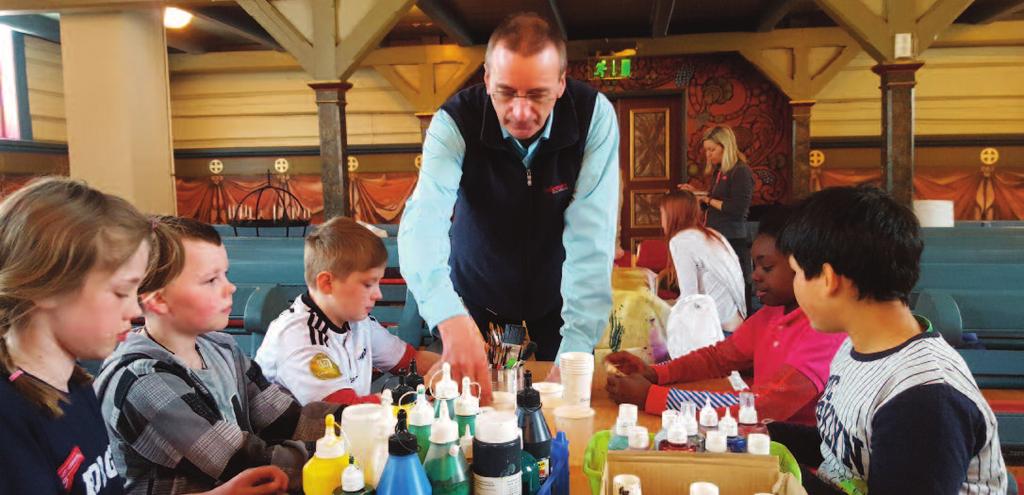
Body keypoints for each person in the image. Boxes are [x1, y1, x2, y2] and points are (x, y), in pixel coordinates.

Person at [0, 178, 287, 494]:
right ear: (48, 286)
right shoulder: (12, 420)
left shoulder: (76, 385)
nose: (133, 309)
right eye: (121, 291)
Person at [398, 12, 619, 393]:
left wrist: (579, 344)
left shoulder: (593, 118)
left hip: (557, 303)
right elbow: (424, 222)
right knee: (477, 416)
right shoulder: (455, 122)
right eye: (505, 92)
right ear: (486, 78)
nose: (520, 112)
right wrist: (448, 315)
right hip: (479, 302)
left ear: (561, 82)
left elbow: (592, 240)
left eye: (537, 94)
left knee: (560, 410)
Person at [771, 186, 1006, 494]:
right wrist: (764, 434)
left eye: (796, 273)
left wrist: (791, 482)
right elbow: (846, 449)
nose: (796, 286)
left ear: (828, 279)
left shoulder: (925, 399)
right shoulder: (858, 346)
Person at [94, 216, 340, 493]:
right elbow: (247, 465)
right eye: (211, 280)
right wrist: (347, 447)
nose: (230, 287)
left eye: (225, 274)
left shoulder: (220, 348)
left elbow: (286, 420)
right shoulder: (142, 382)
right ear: (159, 299)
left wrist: (359, 417)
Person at [604, 207, 845, 425]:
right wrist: (655, 373)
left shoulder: (824, 330)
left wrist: (653, 397)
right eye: (755, 267)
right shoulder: (770, 315)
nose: (755, 277)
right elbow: (718, 357)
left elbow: (763, 406)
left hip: (793, 456)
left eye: (767, 268)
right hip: (759, 437)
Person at [255, 216, 440, 405]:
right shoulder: (299, 338)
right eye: (368, 284)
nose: (378, 294)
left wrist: (453, 369)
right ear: (327, 283)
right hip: (301, 433)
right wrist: (423, 389)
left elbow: (410, 360)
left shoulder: (357, 321)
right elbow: (343, 411)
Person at [681, 125, 754, 303]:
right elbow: (715, 203)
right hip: (716, 235)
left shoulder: (741, 171)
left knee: (735, 287)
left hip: (732, 238)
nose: (708, 154)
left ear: (726, 146)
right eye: (706, 150)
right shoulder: (720, 171)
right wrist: (697, 194)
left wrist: (706, 199)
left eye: (712, 149)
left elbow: (736, 208)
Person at [657, 190, 746, 330]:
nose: (661, 221)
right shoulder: (712, 233)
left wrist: (658, 308)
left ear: (671, 214)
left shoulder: (680, 240)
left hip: (719, 330)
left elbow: (690, 299)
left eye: (661, 214)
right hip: (736, 321)